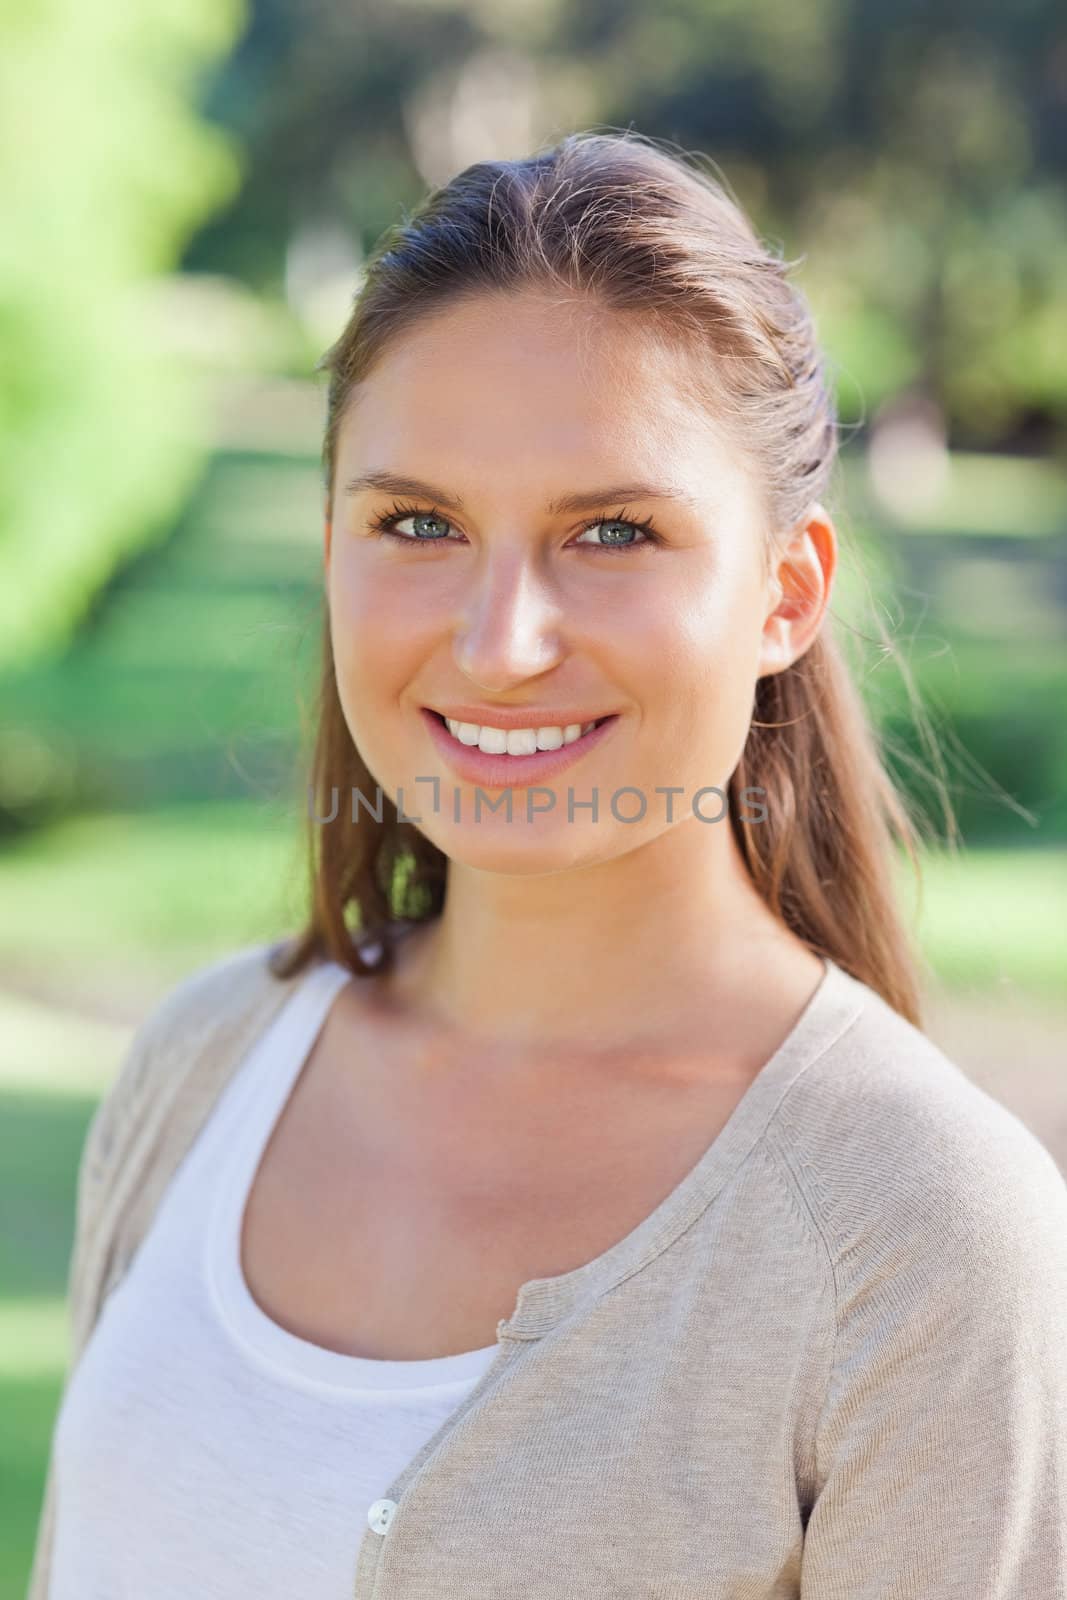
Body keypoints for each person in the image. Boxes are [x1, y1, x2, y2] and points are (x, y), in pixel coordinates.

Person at [27, 128, 1067, 1600]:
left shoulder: (921, 1242)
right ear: (331, 546)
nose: (501, 642)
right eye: (418, 523)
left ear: (785, 595)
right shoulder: (202, 1068)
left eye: (616, 532)